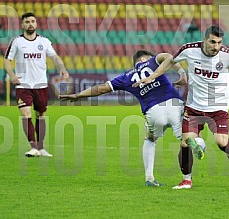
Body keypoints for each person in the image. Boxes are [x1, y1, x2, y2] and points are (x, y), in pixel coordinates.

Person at [134, 25, 229, 189]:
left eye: (219, 42)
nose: (216, 47)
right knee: (186, 143)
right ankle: (186, 180)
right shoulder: (189, 50)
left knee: (221, 142)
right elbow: (170, 61)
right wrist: (152, 76)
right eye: (212, 42)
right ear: (205, 39)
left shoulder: (226, 55)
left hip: (219, 105)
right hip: (194, 106)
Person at [59, 49, 187, 187]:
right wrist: (182, 73)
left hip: (153, 112)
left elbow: (101, 89)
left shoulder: (126, 76)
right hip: (174, 105)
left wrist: (78, 95)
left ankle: (149, 177)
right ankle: (194, 144)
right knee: (186, 138)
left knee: (150, 139)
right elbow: (169, 57)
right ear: (144, 59)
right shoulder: (153, 61)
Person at [4, 12, 69, 157]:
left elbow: (55, 57)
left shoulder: (44, 42)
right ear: (22, 25)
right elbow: (7, 60)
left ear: (36, 24)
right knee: (26, 113)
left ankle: (41, 147)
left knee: (41, 115)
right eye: (27, 22)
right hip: (23, 84)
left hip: (41, 84)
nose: (30, 24)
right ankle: (33, 146)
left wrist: (63, 69)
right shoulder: (17, 42)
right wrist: (12, 75)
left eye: (33, 21)